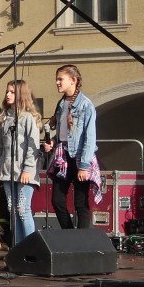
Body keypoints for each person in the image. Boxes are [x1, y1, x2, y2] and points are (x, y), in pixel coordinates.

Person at [41, 64, 101, 230]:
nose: (57, 82)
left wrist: (84, 166)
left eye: (61, 79)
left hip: (80, 157)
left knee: (80, 203)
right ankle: (69, 234)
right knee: (57, 200)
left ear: (73, 80)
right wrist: (53, 142)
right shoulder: (61, 104)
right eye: (57, 79)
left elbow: (90, 137)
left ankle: (81, 239)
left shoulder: (86, 105)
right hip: (63, 157)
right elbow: (63, 133)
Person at [0, 79, 42, 245]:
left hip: (25, 172)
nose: (8, 95)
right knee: (12, 209)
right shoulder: (5, 118)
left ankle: (31, 246)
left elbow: (33, 146)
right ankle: (18, 247)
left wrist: (28, 168)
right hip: (7, 171)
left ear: (21, 95)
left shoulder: (28, 118)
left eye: (12, 92)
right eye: (7, 91)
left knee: (23, 209)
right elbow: (0, 146)